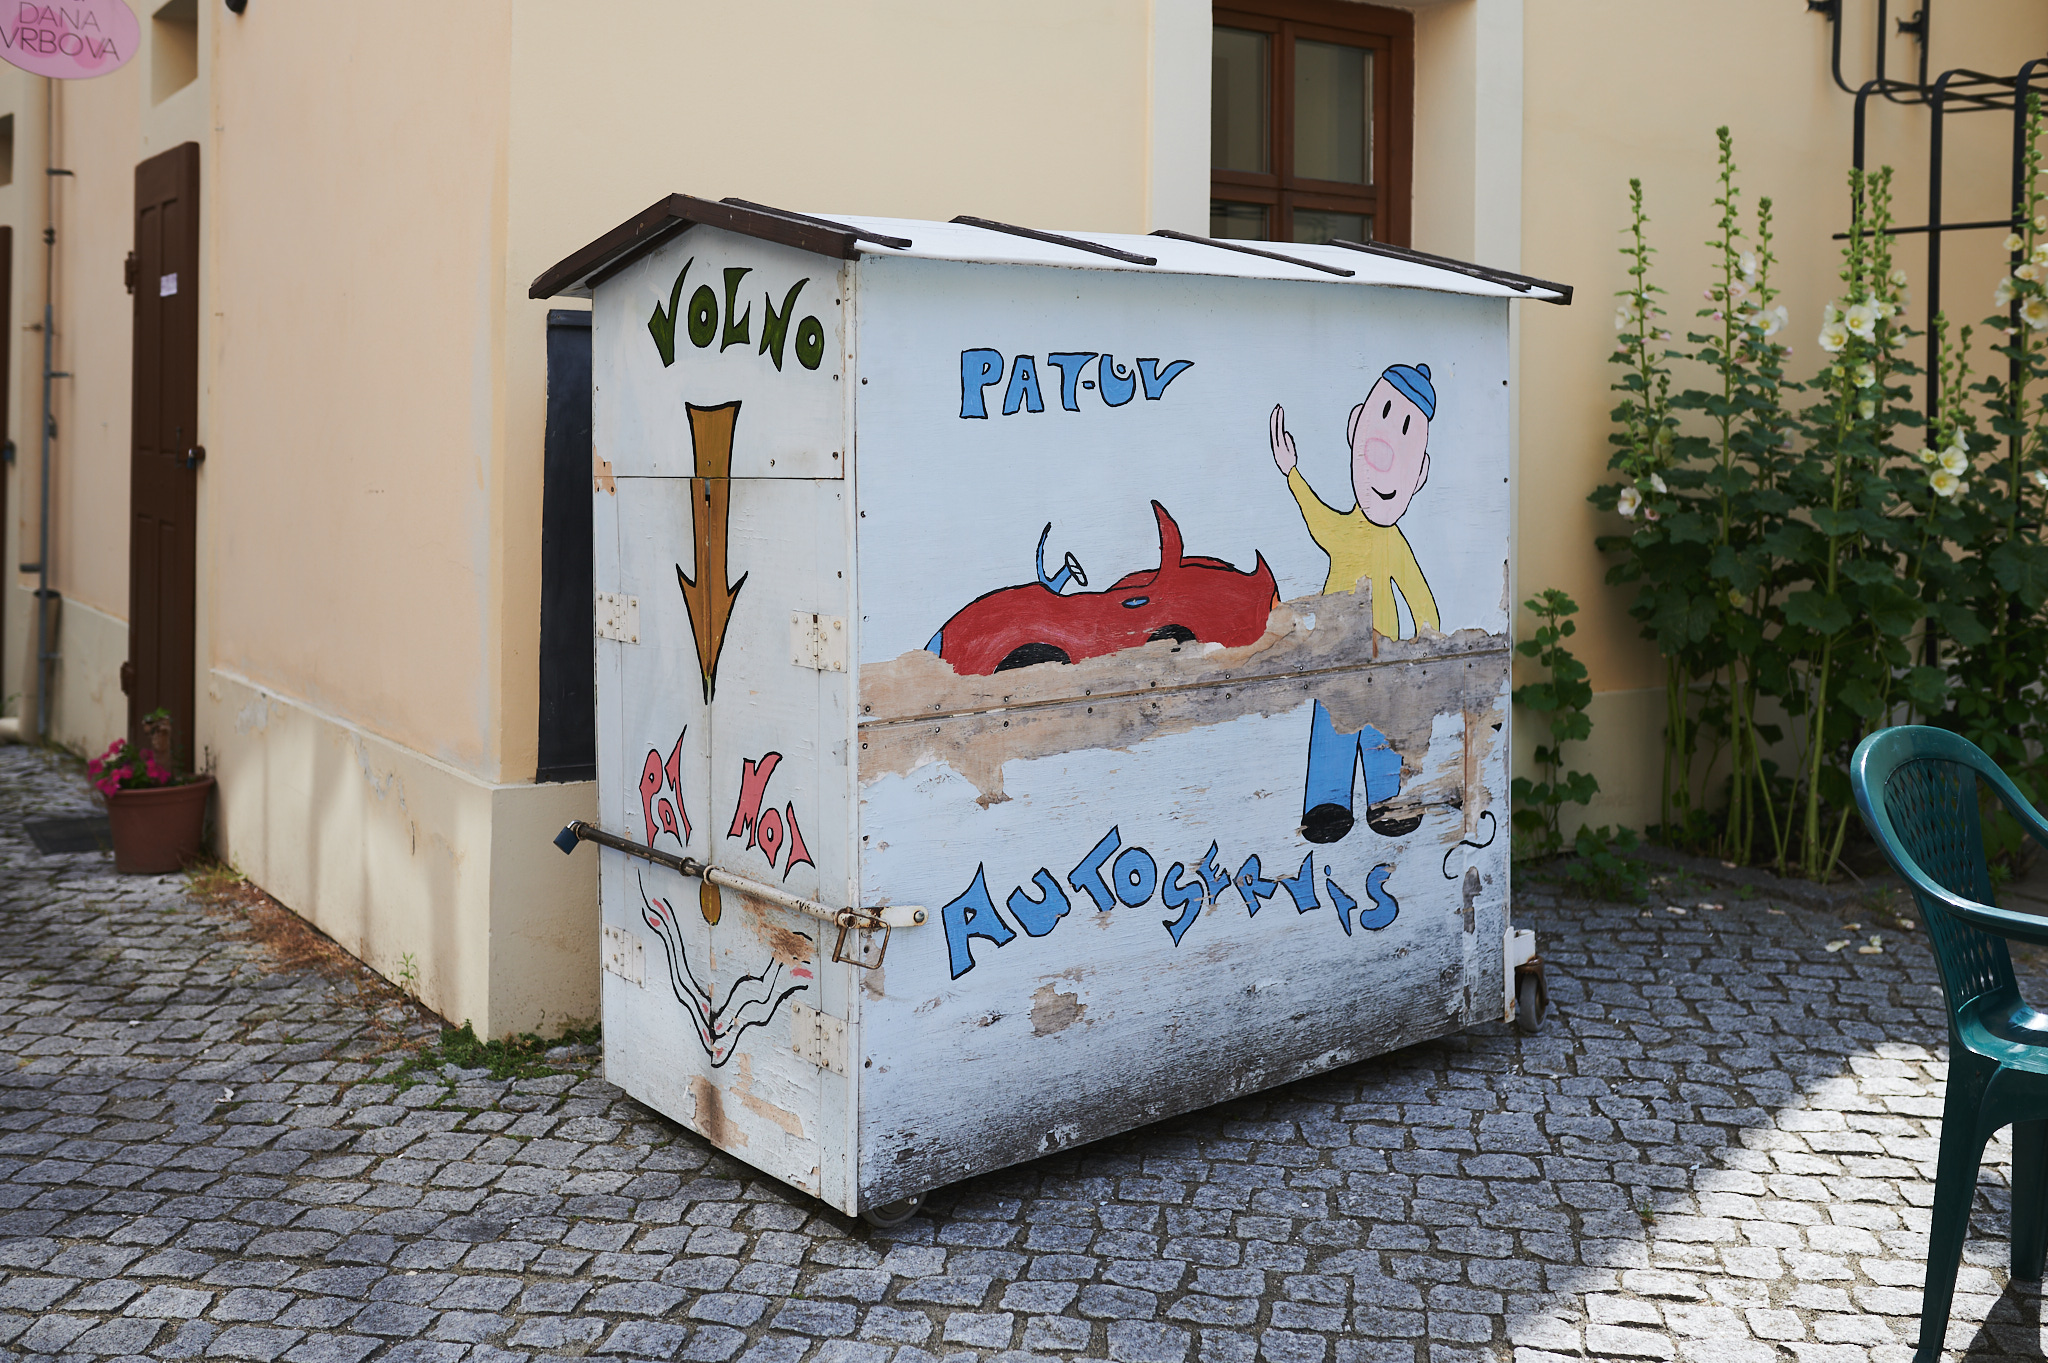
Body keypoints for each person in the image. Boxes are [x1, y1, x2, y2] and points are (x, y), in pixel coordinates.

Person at [1270, 363, 1440, 844]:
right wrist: (1291, 472)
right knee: (1334, 726)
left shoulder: (1393, 543)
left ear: (1419, 474)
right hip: (1336, 658)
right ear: (1355, 427)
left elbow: (1421, 599)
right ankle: (1327, 804)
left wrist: (1423, 650)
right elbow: (1317, 516)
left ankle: (1388, 799)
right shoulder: (1346, 532)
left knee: (1382, 727)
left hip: (1384, 662)